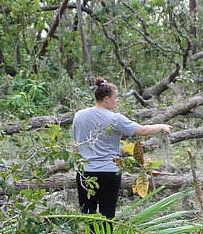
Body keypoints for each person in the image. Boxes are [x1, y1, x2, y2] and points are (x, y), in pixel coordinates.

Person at [71, 77, 173, 220]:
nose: (117, 101)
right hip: (109, 172)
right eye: (115, 97)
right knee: (107, 213)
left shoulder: (79, 115)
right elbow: (142, 131)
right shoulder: (115, 118)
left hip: (85, 172)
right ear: (106, 99)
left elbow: (76, 145)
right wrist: (161, 126)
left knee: (88, 213)